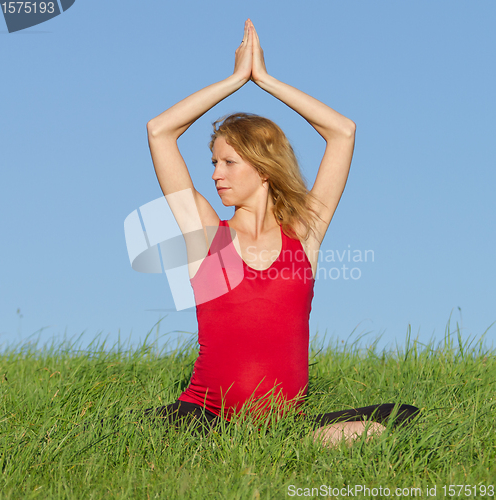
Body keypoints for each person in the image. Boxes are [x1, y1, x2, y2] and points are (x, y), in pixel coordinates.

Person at [145, 19, 418, 446]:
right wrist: (236, 80)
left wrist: (266, 81)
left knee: (394, 420)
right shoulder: (204, 232)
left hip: (283, 421)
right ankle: (257, 445)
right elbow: (160, 131)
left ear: (263, 166)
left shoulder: (304, 232)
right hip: (204, 417)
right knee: (139, 430)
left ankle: (288, 442)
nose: (216, 175)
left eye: (228, 162)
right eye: (213, 163)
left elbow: (342, 132)